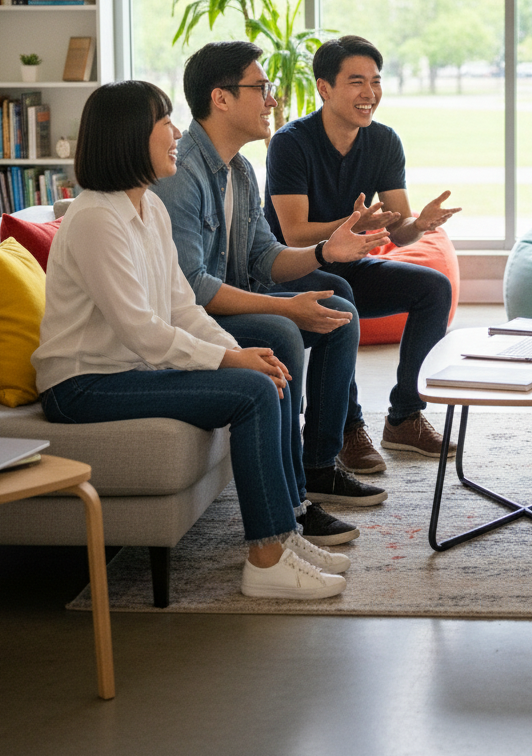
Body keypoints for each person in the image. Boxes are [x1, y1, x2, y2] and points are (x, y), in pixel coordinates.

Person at [33, 81, 351, 599]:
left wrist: (242, 352)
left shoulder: (148, 209)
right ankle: (266, 561)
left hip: (129, 371)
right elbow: (144, 329)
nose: (176, 132)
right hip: (82, 387)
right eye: (164, 123)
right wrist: (229, 359)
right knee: (250, 389)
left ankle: (283, 533)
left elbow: (181, 306)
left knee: (265, 367)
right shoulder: (94, 218)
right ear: (130, 137)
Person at [152, 41, 391, 543]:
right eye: (261, 88)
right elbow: (192, 288)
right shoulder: (184, 175)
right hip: (189, 320)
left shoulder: (240, 169)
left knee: (336, 305)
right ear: (221, 98)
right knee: (281, 330)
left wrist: (327, 251)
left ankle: (320, 462)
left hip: (221, 305)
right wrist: (286, 306)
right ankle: (292, 501)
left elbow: (264, 257)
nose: (272, 100)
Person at [264, 35, 459, 468]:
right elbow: (293, 234)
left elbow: (400, 230)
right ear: (325, 88)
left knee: (434, 288)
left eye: (375, 81)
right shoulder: (290, 143)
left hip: (347, 264)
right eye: (356, 82)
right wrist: (353, 225)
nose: (369, 93)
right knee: (340, 291)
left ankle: (405, 417)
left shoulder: (384, 141)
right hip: (291, 271)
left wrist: (418, 225)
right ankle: (349, 426)